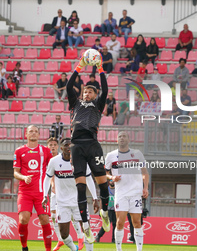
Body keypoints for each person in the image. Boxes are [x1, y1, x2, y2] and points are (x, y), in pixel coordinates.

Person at [66, 55, 110, 243]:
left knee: (102, 183)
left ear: (94, 95)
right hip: (76, 146)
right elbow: (69, 87)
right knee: (81, 187)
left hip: (93, 145)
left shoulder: (97, 105)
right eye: (85, 92)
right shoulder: (75, 104)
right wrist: (79, 67)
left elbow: (105, 89)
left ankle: (105, 212)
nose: (87, 94)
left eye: (90, 92)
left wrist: (100, 69)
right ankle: (85, 225)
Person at [43, 138, 99, 251]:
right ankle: (75, 249)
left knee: (86, 229)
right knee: (64, 234)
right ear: (62, 148)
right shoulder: (54, 161)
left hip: (79, 201)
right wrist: (45, 195)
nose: (69, 147)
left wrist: (95, 198)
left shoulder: (82, 161)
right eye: (66, 145)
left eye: (71, 145)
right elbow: (47, 179)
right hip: (62, 203)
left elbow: (89, 179)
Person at [105, 131, 149, 251]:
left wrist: (145, 188)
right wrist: (112, 178)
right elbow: (105, 173)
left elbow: (145, 173)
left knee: (137, 222)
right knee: (119, 222)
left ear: (129, 140)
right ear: (117, 140)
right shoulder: (111, 155)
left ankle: (139, 249)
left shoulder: (137, 154)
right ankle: (119, 249)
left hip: (136, 193)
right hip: (121, 193)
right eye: (120, 136)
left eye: (124, 136)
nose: (122, 138)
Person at [13, 125, 53, 251]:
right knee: (23, 219)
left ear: (39, 135)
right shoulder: (19, 151)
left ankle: (48, 250)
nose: (34, 133)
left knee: (44, 219)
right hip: (25, 192)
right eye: (31, 131)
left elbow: (52, 170)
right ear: (26, 134)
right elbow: (15, 172)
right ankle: (24, 247)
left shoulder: (45, 151)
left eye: (36, 131)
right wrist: (24, 177)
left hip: (41, 192)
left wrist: (54, 184)